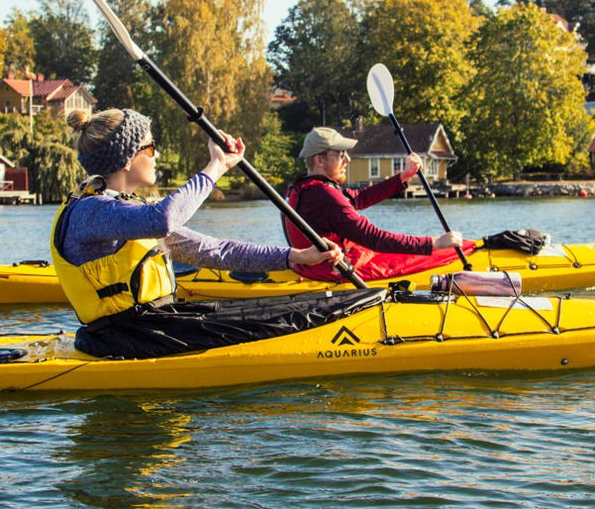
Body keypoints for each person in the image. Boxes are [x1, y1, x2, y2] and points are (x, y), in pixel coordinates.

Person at [52, 108, 368, 359]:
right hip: (124, 338)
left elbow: (215, 251)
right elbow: (165, 218)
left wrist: (296, 257)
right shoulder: (91, 213)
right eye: (150, 147)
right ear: (125, 158)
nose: (157, 155)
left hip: (155, 326)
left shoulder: (130, 210)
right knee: (273, 323)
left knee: (277, 309)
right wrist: (215, 167)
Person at [283, 126, 476, 282]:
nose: (348, 160)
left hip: (310, 268)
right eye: (341, 154)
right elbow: (374, 238)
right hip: (332, 272)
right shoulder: (324, 195)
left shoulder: (302, 187)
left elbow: (360, 197)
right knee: (444, 252)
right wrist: (434, 243)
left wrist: (403, 176)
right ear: (319, 160)